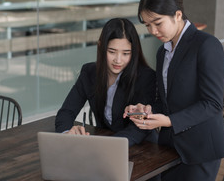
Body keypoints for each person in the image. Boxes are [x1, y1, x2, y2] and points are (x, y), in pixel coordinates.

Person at [124, 0, 224, 180]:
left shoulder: (206, 45)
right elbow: (165, 100)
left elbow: (213, 104)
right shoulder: (162, 52)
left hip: (201, 148)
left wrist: (170, 121)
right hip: (170, 147)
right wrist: (147, 110)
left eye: (157, 23)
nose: (152, 30)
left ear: (178, 15)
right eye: (147, 25)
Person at [55, 18, 156, 146]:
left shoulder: (146, 77)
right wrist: (67, 134)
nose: (118, 60)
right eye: (112, 52)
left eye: (126, 53)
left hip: (143, 149)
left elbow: (139, 127)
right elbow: (66, 111)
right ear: (100, 46)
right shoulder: (89, 72)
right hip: (106, 146)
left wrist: (109, 144)